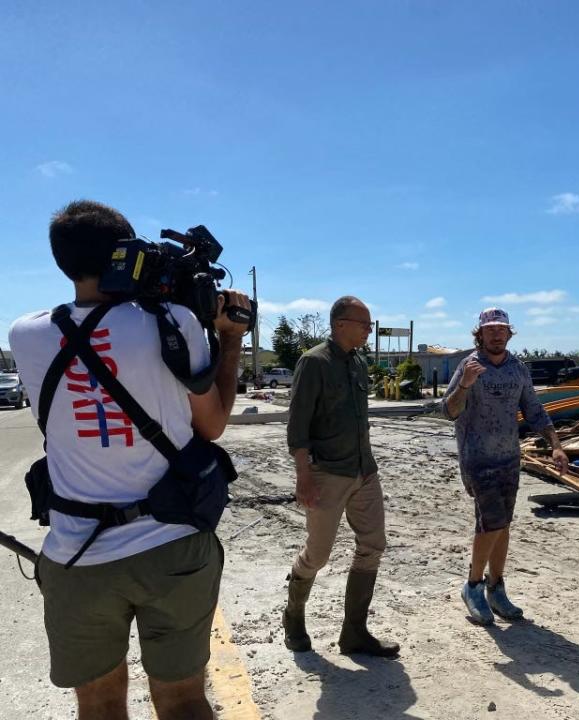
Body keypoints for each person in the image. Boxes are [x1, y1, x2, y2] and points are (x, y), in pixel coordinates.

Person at [8, 200, 250, 719]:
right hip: (173, 545)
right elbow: (213, 424)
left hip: (77, 553)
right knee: (184, 700)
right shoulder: (174, 323)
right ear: (126, 254)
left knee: (97, 706)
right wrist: (229, 340)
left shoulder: (24, 335)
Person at [282, 295, 399, 657]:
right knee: (317, 555)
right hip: (327, 474)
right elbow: (297, 426)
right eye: (363, 323)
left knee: (373, 545)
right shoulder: (313, 362)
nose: (368, 329)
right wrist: (303, 476)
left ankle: (354, 633)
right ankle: (293, 614)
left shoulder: (359, 363)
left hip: (364, 471)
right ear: (340, 324)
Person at [442, 307, 569, 625]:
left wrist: (556, 445)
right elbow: (449, 410)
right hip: (477, 458)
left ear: (509, 333)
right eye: (490, 329)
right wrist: (466, 384)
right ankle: (473, 586)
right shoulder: (468, 366)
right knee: (493, 522)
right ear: (480, 333)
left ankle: (496, 588)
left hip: (508, 459)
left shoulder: (518, 370)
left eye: (502, 329)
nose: (496, 334)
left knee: (501, 525)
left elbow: (534, 410)